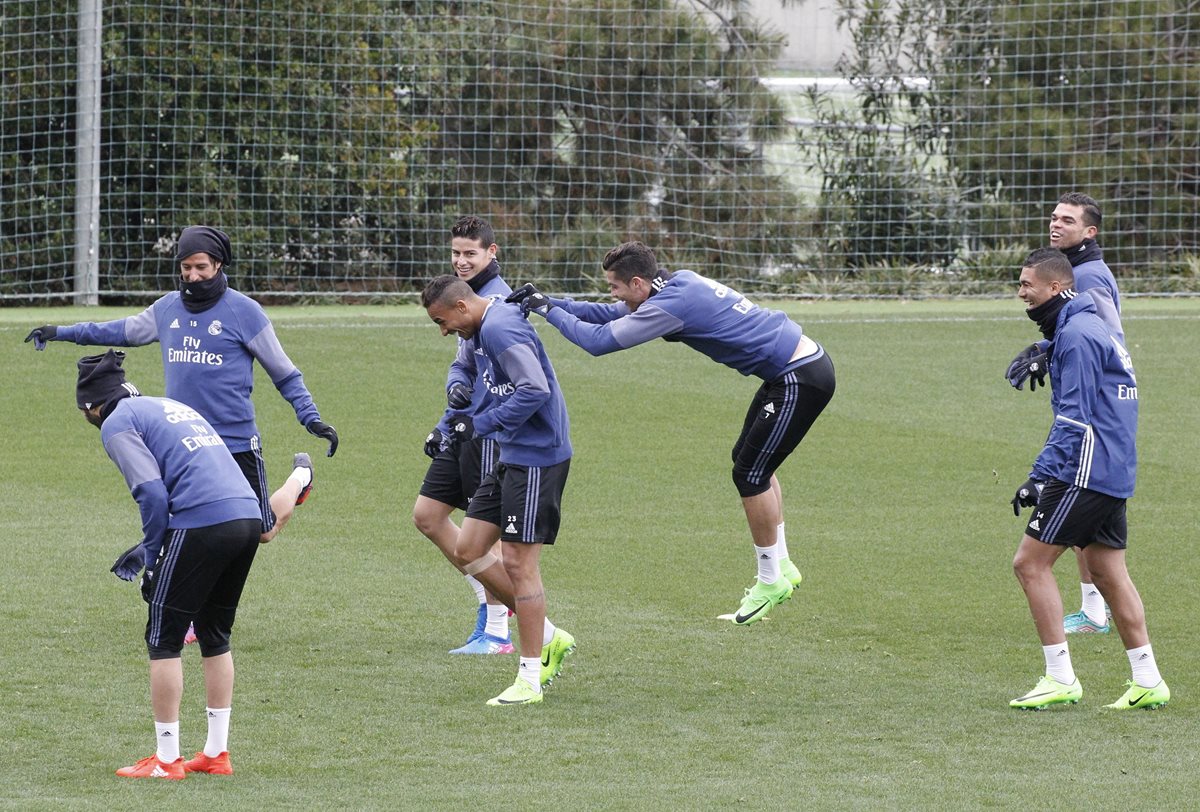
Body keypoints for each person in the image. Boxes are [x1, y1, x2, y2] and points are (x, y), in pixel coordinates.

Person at [506, 241, 835, 626]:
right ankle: (781, 566)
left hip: (800, 377)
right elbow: (606, 313)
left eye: (615, 286)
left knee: (750, 474)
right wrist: (552, 301)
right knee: (749, 461)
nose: (612, 294)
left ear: (638, 282)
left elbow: (597, 341)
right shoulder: (677, 283)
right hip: (794, 368)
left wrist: (547, 310)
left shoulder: (671, 305)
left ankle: (770, 580)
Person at [75, 350, 313, 779]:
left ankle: (167, 761)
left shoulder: (115, 423)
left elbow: (151, 493)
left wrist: (152, 556)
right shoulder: (170, 406)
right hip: (245, 517)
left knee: (163, 640)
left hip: (204, 521)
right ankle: (216, 754)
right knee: (214, 634)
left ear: (91, 407)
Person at [25, 225, 334, 545]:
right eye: (186, 267)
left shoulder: (245, 312)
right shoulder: (167, 308)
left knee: (261, 532)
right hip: (186, 442)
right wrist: (61, 331)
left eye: (201, 267)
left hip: (235, 439)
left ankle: (301, 477)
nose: (193, 275)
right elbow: (117, 331)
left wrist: (310, 418)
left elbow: (284, 373)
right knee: (187, 521)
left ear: (218, 265)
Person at [1008, 248, 1168, 711]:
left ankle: (1060, 677)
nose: (1021, 293)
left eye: (1027, 285)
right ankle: (1148, 679)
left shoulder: (1077, 334)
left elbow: (1074, 418)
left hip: (1085, 468)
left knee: (1029, 563)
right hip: (1115, 467)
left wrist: (1040, 476)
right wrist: (1048, 349)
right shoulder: (1083, 325)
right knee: (1106, 570)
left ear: (1055, 288)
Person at [421, 276, 575, 705]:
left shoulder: (500, 327)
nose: (444, 331)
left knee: (518, 563)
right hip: (512, 454)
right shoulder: (479, 330)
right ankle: (547, 634)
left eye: (443, 321)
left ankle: (529, 678)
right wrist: (445, 431)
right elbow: (474, 386)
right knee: (469, 549)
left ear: (461, 307)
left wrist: (481, 425)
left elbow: (534, 388)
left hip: (538, 458)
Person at [1005, 193, 1122, 636]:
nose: (1056, 225)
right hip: (1091, 403)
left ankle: (1093, 613)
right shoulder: (1071, 268)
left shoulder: (1089, 275)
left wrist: (1050, 350)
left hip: (1096, 408)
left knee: (1077, 494)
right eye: (1054, 217)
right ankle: (1095, 612)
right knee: (1088, 518)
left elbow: (1103, 339)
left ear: (1090, 232)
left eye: (1068, 220)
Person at [413, 216, 513, 654]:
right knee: (428, 516)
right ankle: (486, 601)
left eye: (470, 253)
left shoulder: (499, 306)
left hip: (488, 431)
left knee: (485, 534)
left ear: (492, 253)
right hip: (462, 428)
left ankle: (498, 630)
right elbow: (466, 368)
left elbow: (504, 381)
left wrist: (475, 422)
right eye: (456, 252)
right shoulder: (461, 299)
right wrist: (444, 423)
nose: (461, 261)